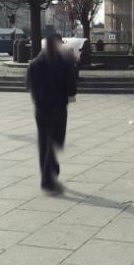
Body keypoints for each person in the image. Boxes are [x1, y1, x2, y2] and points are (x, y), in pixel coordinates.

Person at [26, 34, 77, 193]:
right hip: (58, 107)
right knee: (54, 140)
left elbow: (29, 85)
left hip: (41, 108)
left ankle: (49, 171)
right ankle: (47, 178)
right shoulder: (65, 62)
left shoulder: (35, 63)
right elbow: (71, 87)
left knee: (44, 141)